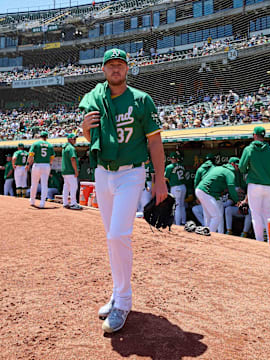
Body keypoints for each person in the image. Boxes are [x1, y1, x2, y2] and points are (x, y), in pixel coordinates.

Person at [80, 48, 168, 334]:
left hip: (131, 171)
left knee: (119, 234)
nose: (116, 69)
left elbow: (155, 142)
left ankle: (124, 301)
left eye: (120, 64)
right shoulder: (95, 100)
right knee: (111, 237)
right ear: (104, 70)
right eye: (111, 65)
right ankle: (118, 292)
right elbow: (91, 138)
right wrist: (84, 130)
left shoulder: (142, 99)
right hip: (103, 172)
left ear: (127, 69)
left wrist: (160, 180)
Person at [239, 126, 270, 242]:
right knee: (268, 214)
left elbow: (241, 168)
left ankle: (260, 241)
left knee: (256, 215)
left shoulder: (249, 149)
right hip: (269, 186)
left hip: (254, 185)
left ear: (254, 135)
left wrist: (249, 169)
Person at [195, 157, 241, 232]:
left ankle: (206, 235)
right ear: (232, 164)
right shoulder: (229, 172)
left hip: (201, 190)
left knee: (209, 217)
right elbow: (231, 187)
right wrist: (237, 201)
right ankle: (209, 236)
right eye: (237, 166)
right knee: (217, 216)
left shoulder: (218, 168)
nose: (238, 168)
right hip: (206, 192)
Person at [27, 131, 55, 208]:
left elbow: (30, 155)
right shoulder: (50, 145)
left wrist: (27, 164)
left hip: (37, 164)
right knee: (44, 184)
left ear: (40, 136)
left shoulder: (35, 144)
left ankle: (32, 200)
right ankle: (42, 202)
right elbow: (52, 157)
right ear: (46, 137)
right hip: (46, 165)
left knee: (34, 183)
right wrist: (49, 165)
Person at [164, 152, 187, 225]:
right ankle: (183, 221)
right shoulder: (182, 166)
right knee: (182, 205)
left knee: (177, 206)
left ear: (171, 158)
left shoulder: (169, 167)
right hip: (183, 186)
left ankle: (178, 224)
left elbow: (165, 178)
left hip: (175, 187)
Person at [61, 133, 82, 210]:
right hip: (70, 171)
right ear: (69, 139)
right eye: (74, 139)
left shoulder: (65, 147)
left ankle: (65, 202)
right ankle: (73, 203)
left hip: (65, 171)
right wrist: (76, 170)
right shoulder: (71, 148)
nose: (75, 140)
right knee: (73, 187)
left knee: (66, 187)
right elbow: (73, 159)